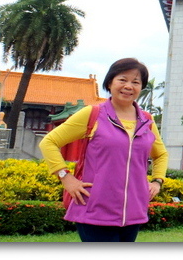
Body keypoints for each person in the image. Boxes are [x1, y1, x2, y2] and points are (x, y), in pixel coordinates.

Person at [40, 58, 168, 242]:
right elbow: (49, 142)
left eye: (136, 82)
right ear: (110, 82)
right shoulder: (93, 114)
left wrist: (157, 181)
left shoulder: (146, 120)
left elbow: (161, 154)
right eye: (122, 80)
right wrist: (65, 177)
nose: (128, 86)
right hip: (94, 209)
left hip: (133, 212)